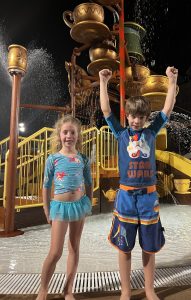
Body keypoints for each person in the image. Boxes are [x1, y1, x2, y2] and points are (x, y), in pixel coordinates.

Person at [99, 66, 178, 300]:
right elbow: (105, 111)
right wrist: (103, 83)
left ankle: (149, 289)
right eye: (133, 116)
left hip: (148, 197)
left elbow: (167, 109)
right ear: (127, 116)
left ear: (146, 118)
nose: (136, 120)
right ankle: (125, 291)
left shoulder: (151, 132)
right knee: (124, 247)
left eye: (141, 117)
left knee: (149, 246)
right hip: (125, 197)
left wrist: (172, 82)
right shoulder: (121, 133)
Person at [36, 115, 92, 300]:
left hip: (79, 206)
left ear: (78, 135)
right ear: (59, 135)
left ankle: (68, 290)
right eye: (65, 132)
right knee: (55, 251)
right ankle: (43, 289)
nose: (69, 136)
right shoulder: (53, 159)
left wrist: (89, 202)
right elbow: (46, 185)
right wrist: (46, 208)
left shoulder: (82, 159)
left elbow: (89, 183)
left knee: (74, 248)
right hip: (59, 207)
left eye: (72, 132)